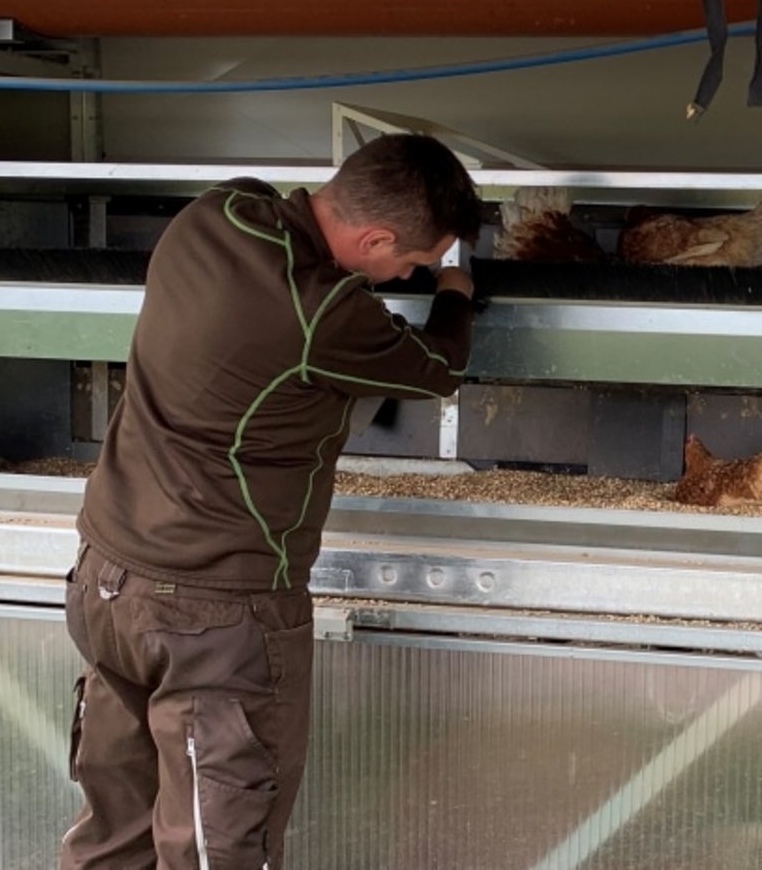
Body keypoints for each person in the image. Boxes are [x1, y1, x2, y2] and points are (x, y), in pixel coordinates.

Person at [59, 134, 481, 869]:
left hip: (108, 578)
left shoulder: (217, 211)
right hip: (214, 615)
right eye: (407, 262)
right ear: (373, 236)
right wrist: (453, 292)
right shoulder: (321, 313)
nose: (402, 275)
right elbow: (437, 368)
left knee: (113, 835)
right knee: (218, 848)